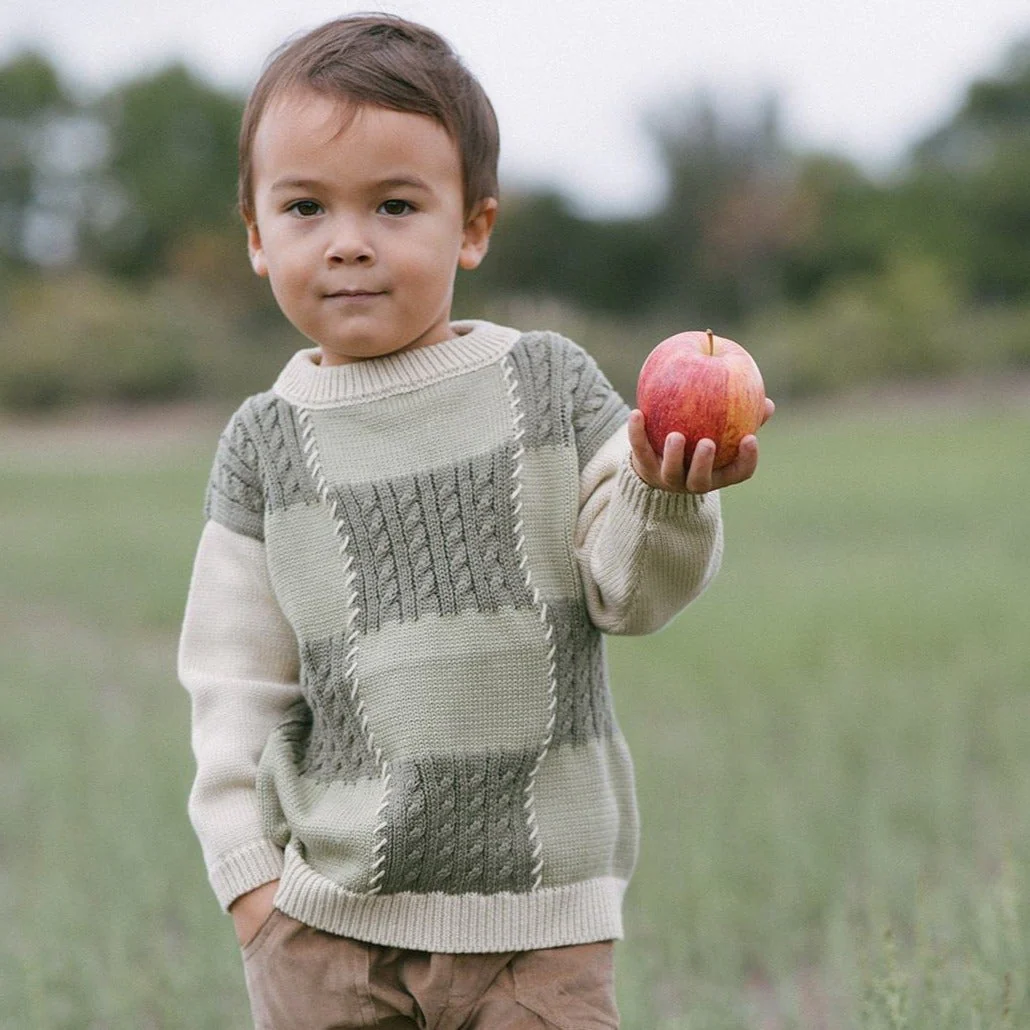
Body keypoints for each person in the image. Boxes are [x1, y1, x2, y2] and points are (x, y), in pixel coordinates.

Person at [178, 13, 773, 1030]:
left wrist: (666, 489)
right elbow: (233, 681)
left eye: (396, 204)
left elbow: (628, 593)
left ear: (472, 225)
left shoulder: (546, 386)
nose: (350, 240)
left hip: (536, 927)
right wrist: (252, 888)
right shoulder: (263, 446)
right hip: (327, 925)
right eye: (306, 206)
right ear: (256, 237)